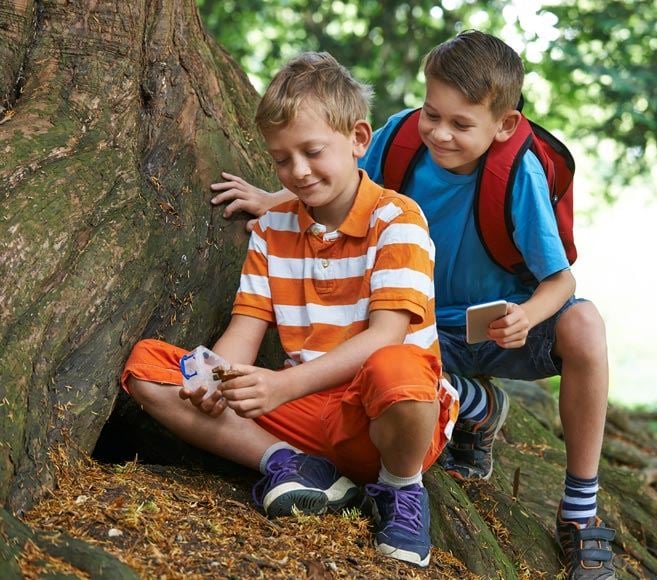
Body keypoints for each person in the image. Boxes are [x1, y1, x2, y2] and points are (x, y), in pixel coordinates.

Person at [211, 31, 616, 579]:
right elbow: (338, 175)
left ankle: (580, 509)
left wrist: (528, 316)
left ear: (504, 125)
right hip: (412, 327)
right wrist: (270, 200)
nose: (440, 134)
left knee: (587, 325)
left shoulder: (517, 173)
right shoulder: (401, 138)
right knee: (393, 365)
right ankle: (473, 406)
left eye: (460, 124)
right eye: (433, 114)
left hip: (497, 326)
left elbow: (561, 282)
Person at [120, 51, 458, 569]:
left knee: (400, 368)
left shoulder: (398, 220)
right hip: (303, 415)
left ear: (358, 140)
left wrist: (280, 385)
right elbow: (244, 331)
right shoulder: (273, 230)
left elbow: (388, 334)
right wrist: (215, 377)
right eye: (281, 159)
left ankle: (401, 491)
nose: (297, 171)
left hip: (386, 422)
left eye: (312, 151)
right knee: (151, 367)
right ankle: (290, 465)